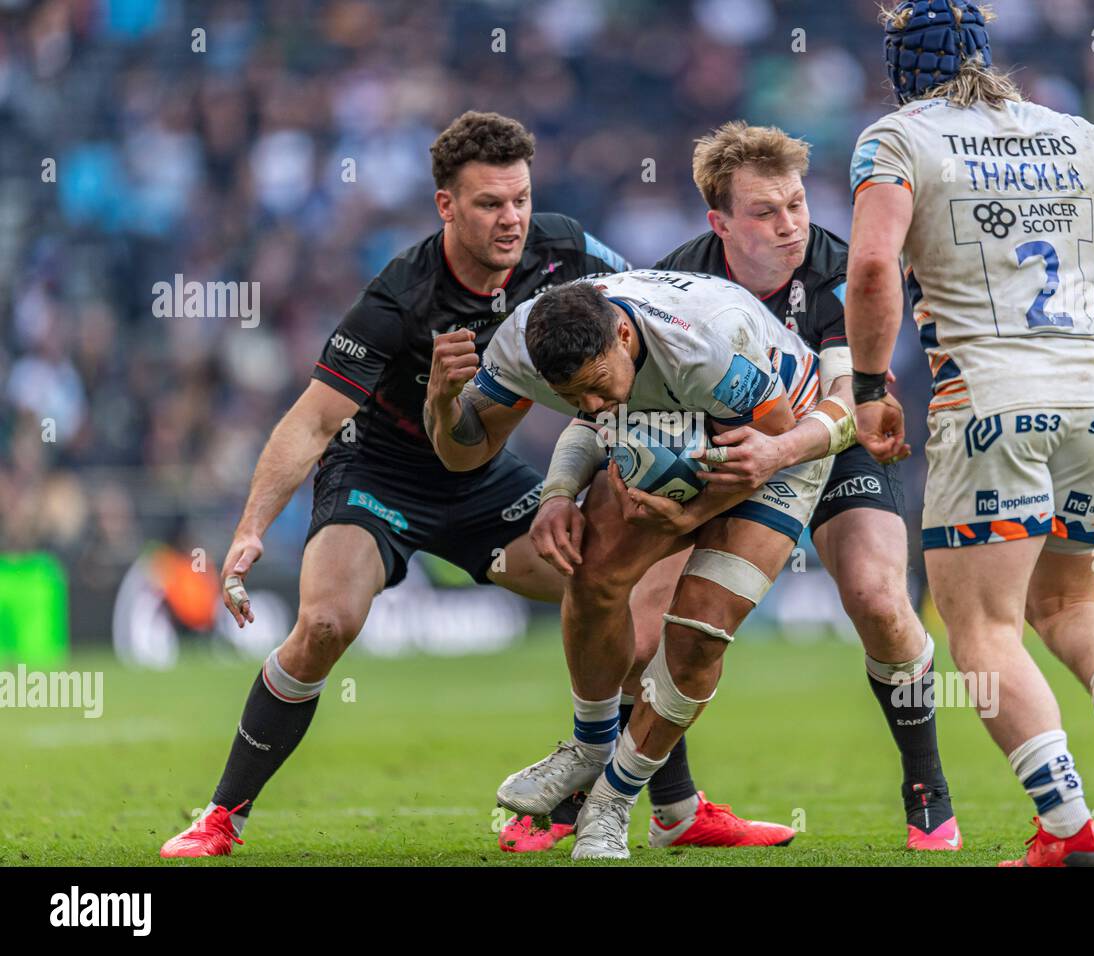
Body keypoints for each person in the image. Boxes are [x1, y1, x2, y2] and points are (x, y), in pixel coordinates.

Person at [159, 110, 634, 857]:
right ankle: (223, 815)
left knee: (609, 592)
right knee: (323, 626)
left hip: (481, 479)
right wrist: (252, 528)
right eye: (489, 204)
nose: (511, 219)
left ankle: (595, 802)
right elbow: (312, 423)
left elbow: (650, 304)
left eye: (520, 199)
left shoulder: (565, 247)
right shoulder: (400, 296)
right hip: (379, 474)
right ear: (446, 205)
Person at [844, 1, 1094, 866]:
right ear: (984, 53)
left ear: (902, 64)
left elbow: (868, 267)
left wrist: (866, 385)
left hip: (992, 404)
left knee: (981, 628)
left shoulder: (896, 138)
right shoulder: (1074, 132)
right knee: (1072, 603)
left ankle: (1066, 830)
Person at [428, 271, 853, 858]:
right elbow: (465, 454)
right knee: (593, 574)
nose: (593, 404)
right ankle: (587, 747)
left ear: (623, 334)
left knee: (700, 631)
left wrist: (687, 518)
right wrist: (448, 406)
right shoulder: (523, 342)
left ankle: (613, 802)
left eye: (598, 384)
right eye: (575, 394)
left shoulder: (703, 347)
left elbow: (765, 449)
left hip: (776, 437)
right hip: (668, 418)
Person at [650, 121, 960, 849]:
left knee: (881, 600)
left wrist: (781, 448)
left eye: (796, 203)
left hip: (832, 444)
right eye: (765, 212)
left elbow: (850, 401)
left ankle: (928, 787)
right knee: (648, 623)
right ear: (718, 223)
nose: (790, 224)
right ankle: (674, 807)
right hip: (725, 455)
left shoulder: (839, 269)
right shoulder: (677, 282)